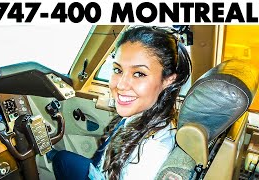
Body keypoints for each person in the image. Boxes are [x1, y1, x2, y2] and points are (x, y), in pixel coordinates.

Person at [51, 26, 192, 180]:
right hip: (102, 170)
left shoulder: (148, 158)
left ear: (167, 80)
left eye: (139, 74)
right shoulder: (147, 114)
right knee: (61, 158)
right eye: (118, 70)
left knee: (61, 160)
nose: (121, 85)